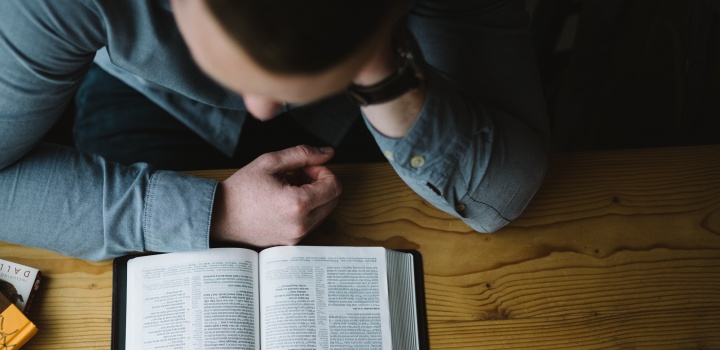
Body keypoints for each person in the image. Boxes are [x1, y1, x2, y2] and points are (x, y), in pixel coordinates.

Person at [0, 0, 549, 261]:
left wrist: (378, 69)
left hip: (362, 94)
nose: (265, 110)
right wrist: (211, 212)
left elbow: (503, 192)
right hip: (149, 98)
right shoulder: (41, 5)